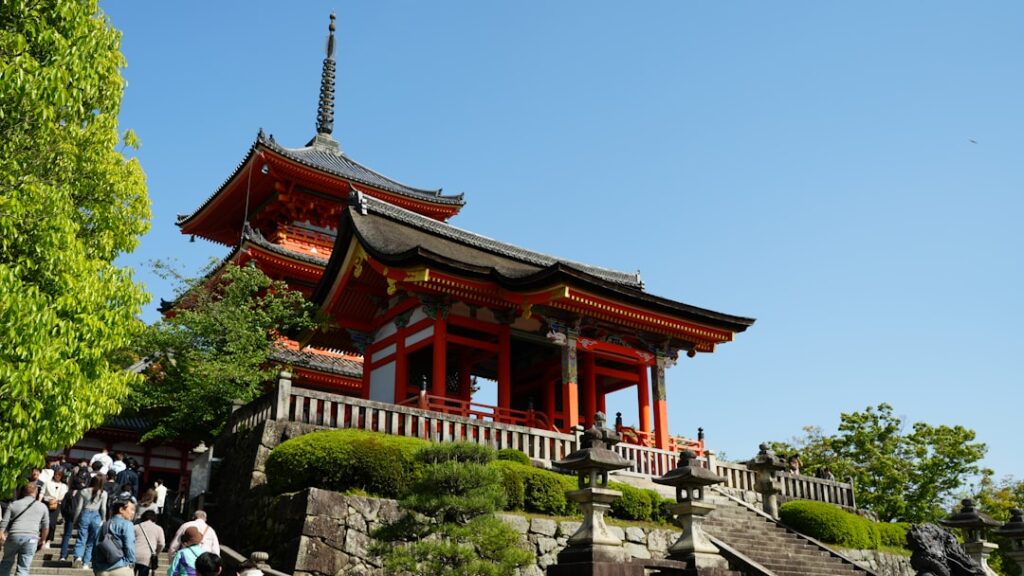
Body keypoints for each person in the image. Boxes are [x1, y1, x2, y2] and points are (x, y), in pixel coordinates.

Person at [0, 483, 49, 576]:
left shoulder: (14, 504)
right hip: (32, 538)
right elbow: (45, 527)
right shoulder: (42, 507)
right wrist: (43, 540)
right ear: (36, 492)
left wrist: (1, 533)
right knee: (23, 568)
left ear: (23, 492)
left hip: (14, 535)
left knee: (6, 563)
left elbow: (4, 521)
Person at [72, 475, 108, 568]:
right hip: (96, 516)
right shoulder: (103, 493)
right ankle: (86, 563)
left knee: (81, 537)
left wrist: (75, 519)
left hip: (85, 513)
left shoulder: (84, 491)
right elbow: (103, 508)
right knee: (92, 541)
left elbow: (79, 507)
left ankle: (78, 556)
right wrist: (104, 519)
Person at [92, 500, 136, 576]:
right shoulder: (127, 524)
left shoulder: (103, 525)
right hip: (121, 567)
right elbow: (129, 546)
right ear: (121, 510)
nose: (133, 512)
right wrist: (130, 562)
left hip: (101, 569)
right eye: (131, 509)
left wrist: (96, 567)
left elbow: (95, 547)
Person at [39, 469, 68, 549]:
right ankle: (42, 539)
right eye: (56, 474)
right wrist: (39, 502)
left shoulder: (64, 486)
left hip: (56, 504)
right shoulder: (47, 482)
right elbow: (42, 492)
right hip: (46, 502)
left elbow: (64, 496)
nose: (57, 476)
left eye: (59, 475)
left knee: (52, 523)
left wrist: (57, 499)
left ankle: (48, 540)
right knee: (44, 522)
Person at [133, 511, 164, 576]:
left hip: (134, 554)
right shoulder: (158, 528)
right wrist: (156, 552)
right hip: (147, 556)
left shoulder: (135, 527)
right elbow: (161, 544)